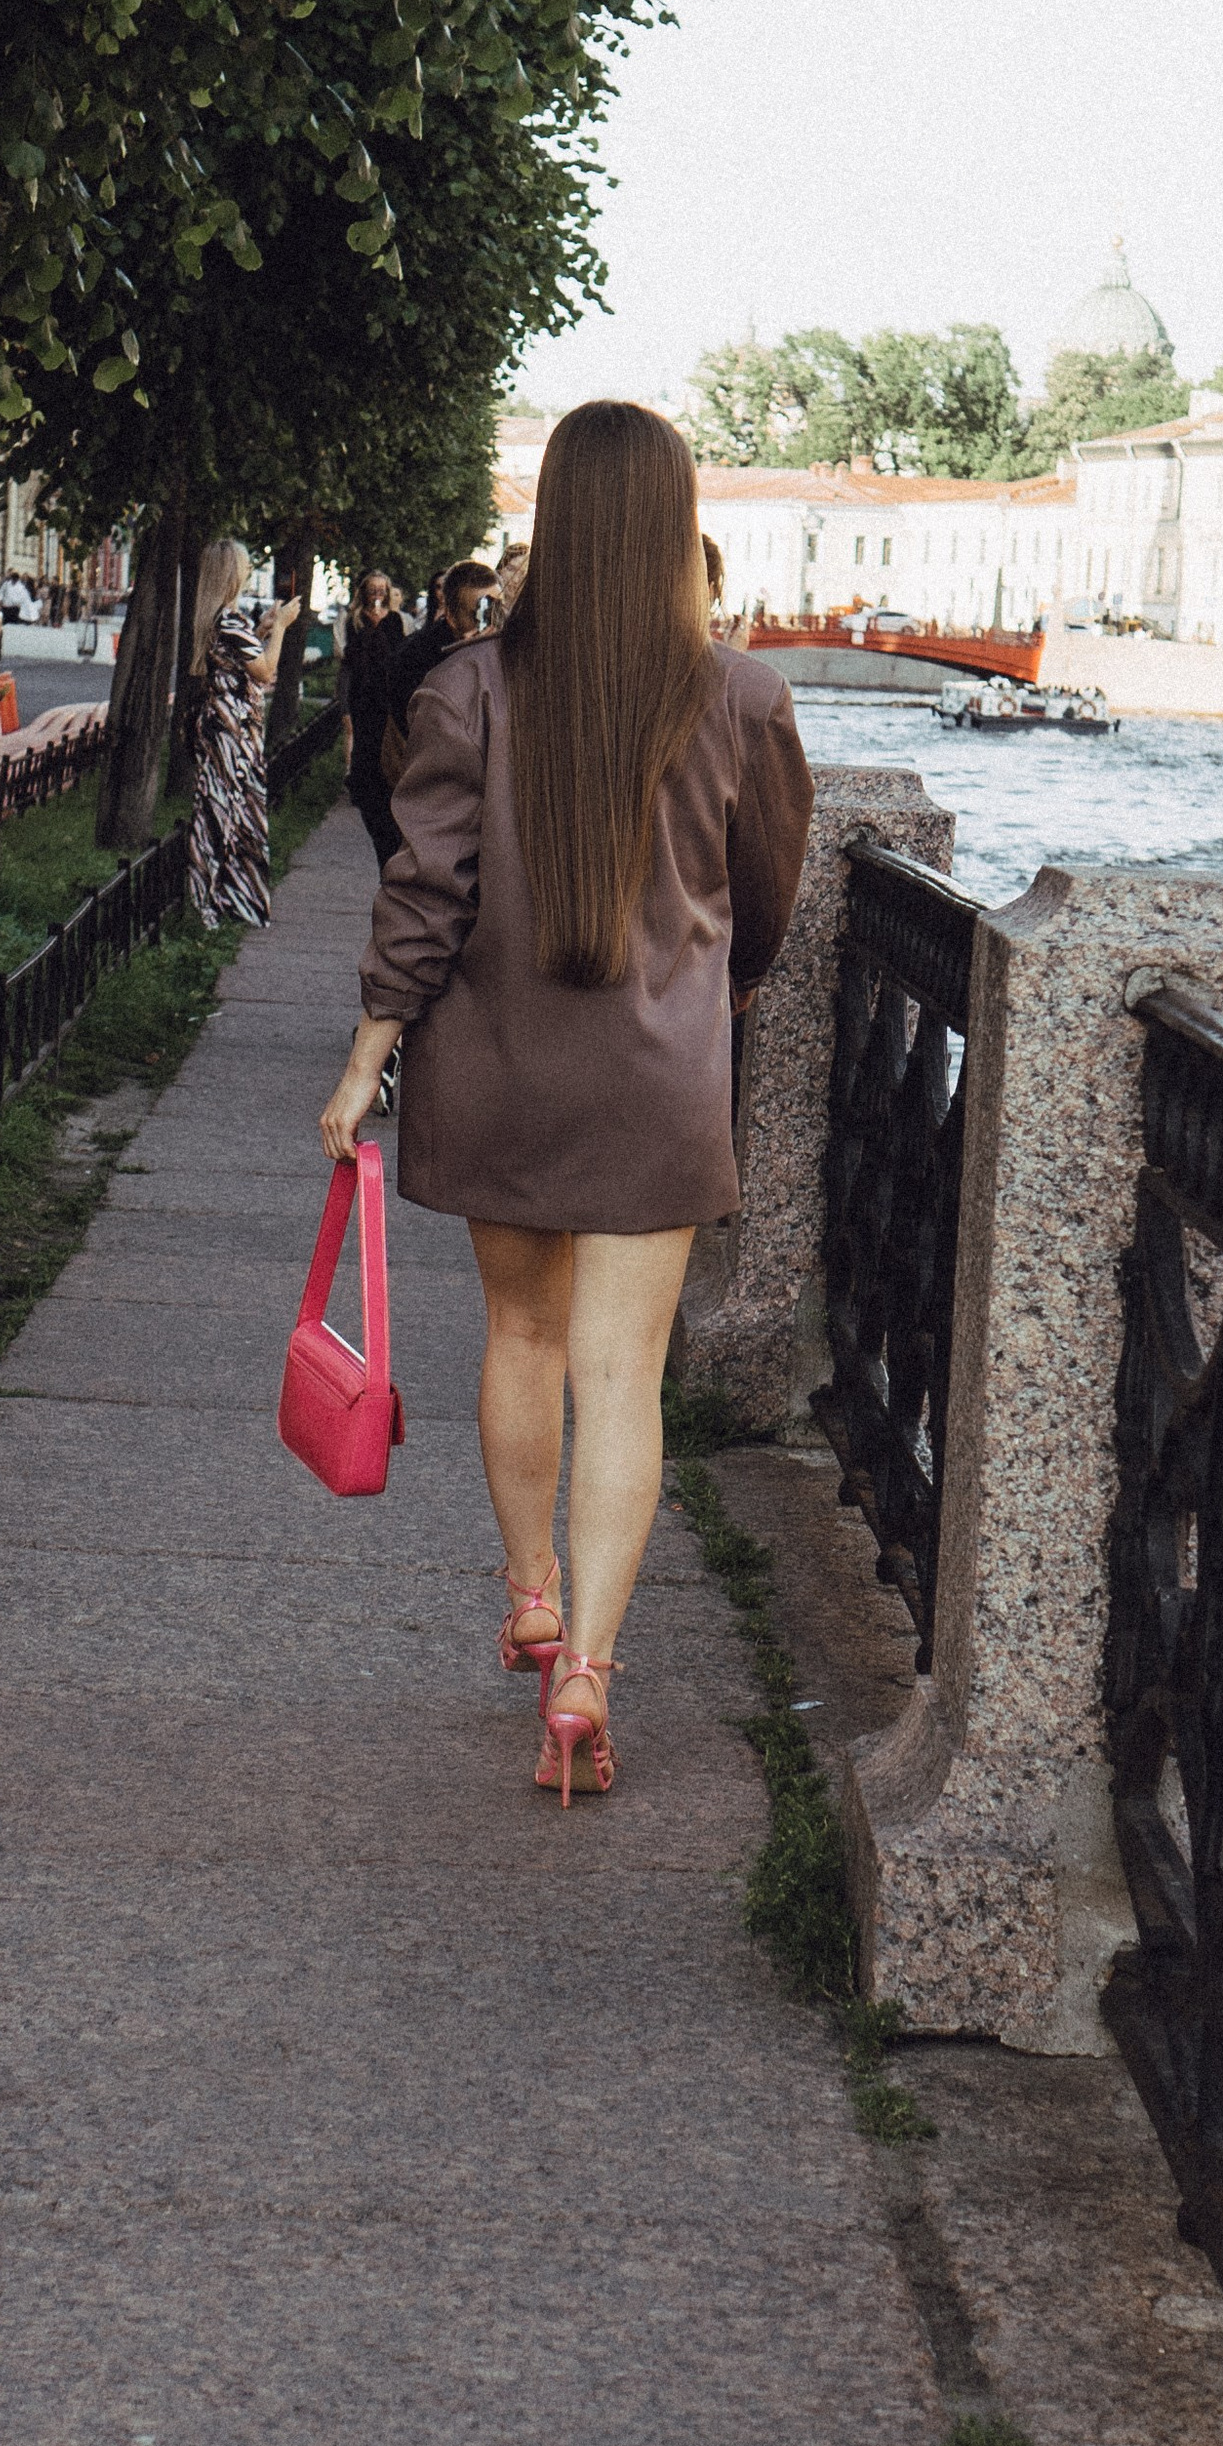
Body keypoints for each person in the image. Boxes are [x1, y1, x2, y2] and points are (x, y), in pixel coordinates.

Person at [319, 400, 813, 1803]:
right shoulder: (743, 699)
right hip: (659, 1084)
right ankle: (587, 1676)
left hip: (499, 1070)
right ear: (673, 527)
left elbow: (424, 895)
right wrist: (709, 998)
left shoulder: (465, 688)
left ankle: (532, 1591)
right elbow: (766, 903)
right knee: (621, 1378)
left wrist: (369, 1055)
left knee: (521, 1339)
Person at [186, 537, 299, 929]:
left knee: (227, 808)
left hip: (227, 724)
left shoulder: (222, 618)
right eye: (245, 566)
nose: (249, 571)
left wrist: (265, 627)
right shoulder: (229, 621)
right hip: (231, 729)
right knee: (225, 810)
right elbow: (266, 671)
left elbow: (243, 659)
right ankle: (215, 901)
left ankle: (226, 899)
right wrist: (281, 628)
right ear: (232, 573)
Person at [387, 557, 499, 744]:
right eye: (481, 614)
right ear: (452, 617)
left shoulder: (502, 650)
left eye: (497, 610)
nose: (493, 623)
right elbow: (426, 735)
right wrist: (465, 660)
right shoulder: (415, 659)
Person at [340, 570, 408, 871]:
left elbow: (399, 655)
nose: (377, 594)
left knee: (385, 737)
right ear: (364, 593)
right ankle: (362, 782)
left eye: (382, 589)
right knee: (363, 737)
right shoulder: (354, 620)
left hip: (386, 692)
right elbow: (348, 659)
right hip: (362, 692)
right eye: (372, 589)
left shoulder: (395, 621)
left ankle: (386, 778)